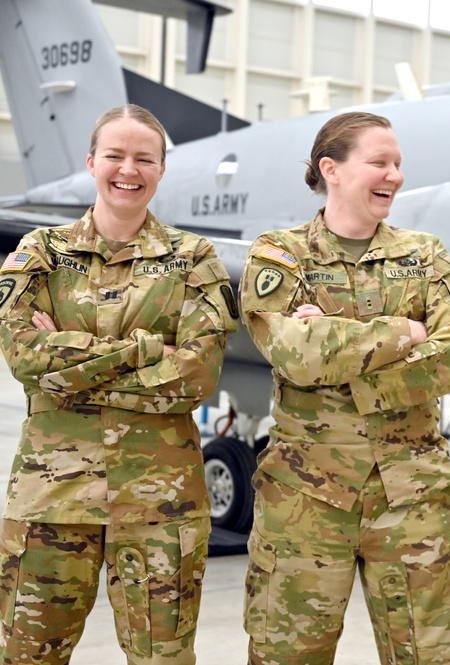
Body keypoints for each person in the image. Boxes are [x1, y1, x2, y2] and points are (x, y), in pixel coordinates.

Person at [239, 110, 450, 665]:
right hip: (305, 499)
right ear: (333, 169)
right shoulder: (280, 253)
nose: (394, 175)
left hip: (413, 497)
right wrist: (408, 331)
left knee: (432, 656)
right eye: (380, 162)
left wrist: (336, 344)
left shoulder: (425, 255)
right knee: (287, 655)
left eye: (397, 164)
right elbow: (295, 354)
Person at [0, 104, 238, 663]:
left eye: (144, 158)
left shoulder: (193, 258)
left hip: (160, 507)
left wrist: (69, 371)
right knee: (28, 655)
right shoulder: (41, 252)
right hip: (52, 500)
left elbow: (195, 379)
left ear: (160, 169)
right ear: (91, 162)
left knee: (163, 658)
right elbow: (23, 357)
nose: (128, 169)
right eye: (114, 155)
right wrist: (150, 349)